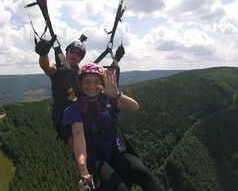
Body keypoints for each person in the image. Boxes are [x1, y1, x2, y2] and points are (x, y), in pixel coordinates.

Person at [63, 63, 165, 191]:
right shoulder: (74, 110)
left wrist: (117, 95)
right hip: (95, 158)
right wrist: (84, 171)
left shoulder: (108, 100)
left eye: (96, 82)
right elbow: (79, 137)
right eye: (87, 82)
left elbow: (134, 107)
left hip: (116, 150)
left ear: (102, 84)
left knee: (145, 175)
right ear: (80, 84)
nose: (92, 86)